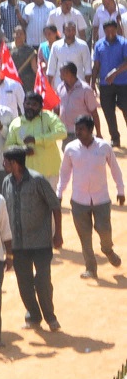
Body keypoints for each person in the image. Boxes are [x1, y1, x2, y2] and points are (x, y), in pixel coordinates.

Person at [0, 146, 64, 331]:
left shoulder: (38, 180)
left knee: (42, 280)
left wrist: (58, 233)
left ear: (14, 163)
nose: (3, 164)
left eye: (6, 161)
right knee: (24, 282)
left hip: (41, 242)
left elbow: (55, 206)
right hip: (18, 244)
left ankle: (50, 316)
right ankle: (33, 315)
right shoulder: (6, 182)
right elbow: (4, 212)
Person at [58, 115, 126, 278]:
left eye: (81, 129)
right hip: (79, 201)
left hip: (101, 199)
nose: (78, 132)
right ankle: (91, 268)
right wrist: (59, 193)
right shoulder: (71, 148)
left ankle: (107, 249)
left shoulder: (103, 147)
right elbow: (64, 173)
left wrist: (121, 190)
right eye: (76, 129)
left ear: (90, 130)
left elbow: (115, 169)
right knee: (85, 236)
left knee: (104, 230)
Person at [7, 92, 68, 184]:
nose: (30, 107)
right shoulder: (15, 123)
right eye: (28, 104)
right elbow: (8, 146)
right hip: (26, 175)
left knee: (49, 198)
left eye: (34, 104)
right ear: (23, 104)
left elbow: (62, 133)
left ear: (41, 107)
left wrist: (36, 139)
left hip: (49, 173)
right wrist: (22, 151)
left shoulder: (49, 117)